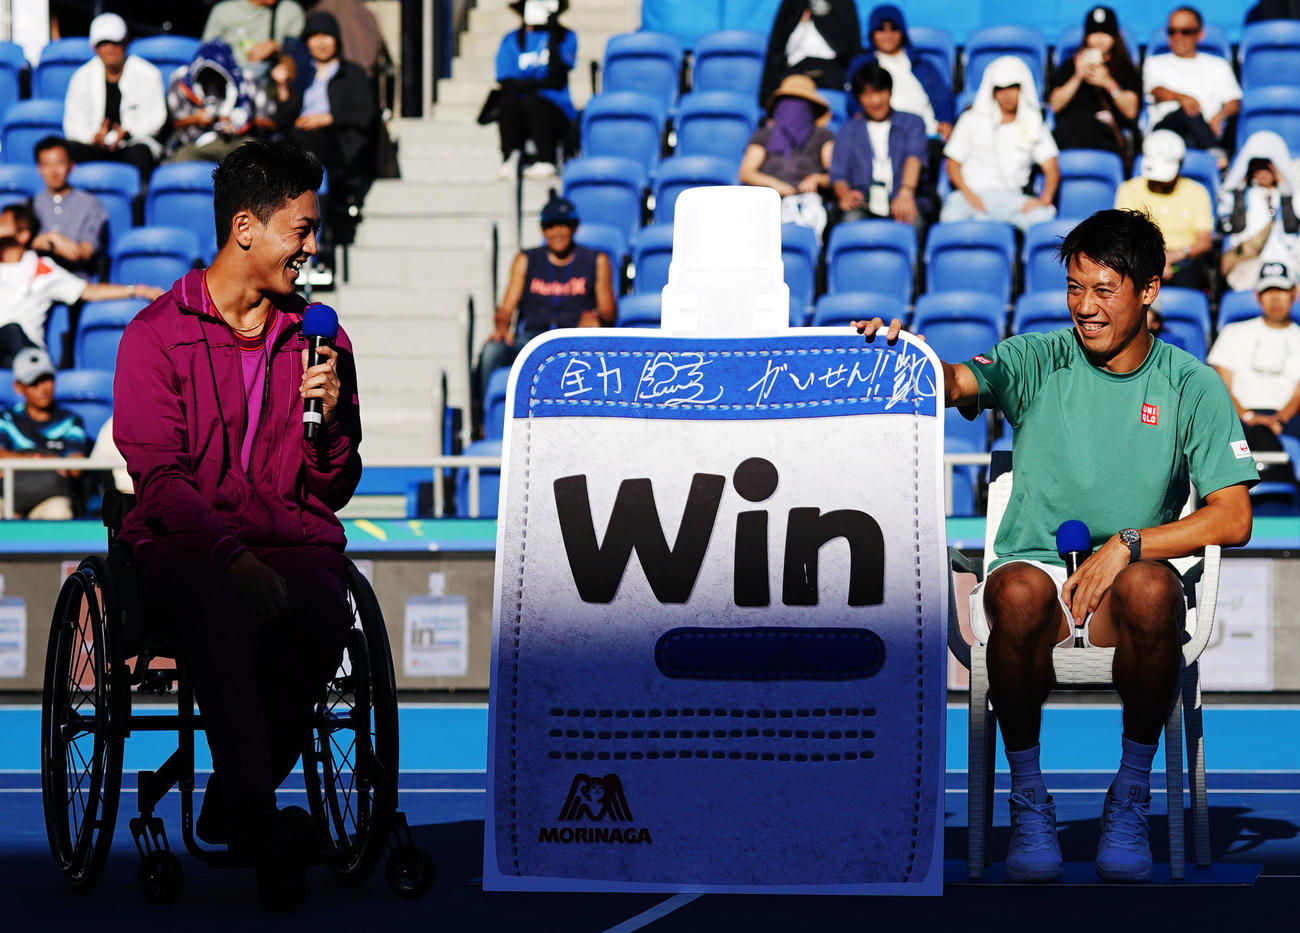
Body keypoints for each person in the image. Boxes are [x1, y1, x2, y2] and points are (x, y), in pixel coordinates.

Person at [854, 208, 1256, 883]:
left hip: (1126, 588)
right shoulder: (1037, 357)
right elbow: (955, 381)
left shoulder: (1193, 384)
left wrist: (1128, 545)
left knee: (1155, 589)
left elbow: (1234, 517)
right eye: (1075, 288)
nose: (1085, 307)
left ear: (1150, 289)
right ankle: (1030, 797)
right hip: (1034, 580)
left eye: (1104, 290)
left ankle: (1129, 794)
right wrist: (906, 354)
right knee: (1010, 590)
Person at [113, 139, 360, 908]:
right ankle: (257, 815)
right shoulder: (154, 335)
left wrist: (329, 419)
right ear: (246, 228)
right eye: (304, 229)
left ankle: (232, 798)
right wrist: (232, 557)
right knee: (220, 603)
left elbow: (336, 485)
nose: (313, 247)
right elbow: (159, 481)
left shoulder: (321, 336)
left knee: (323, 607)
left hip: (287, 541)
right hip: (188, 547)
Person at [477, 193, 615, 402]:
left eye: (563, 225)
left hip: (572, 339)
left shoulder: (596, 260)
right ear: (543, 230)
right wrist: (502, 327)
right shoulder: (526, 259)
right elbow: (505, 309)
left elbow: (609, 313)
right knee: (491, 351)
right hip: (531, 339)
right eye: (550, 225)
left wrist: (595, 316)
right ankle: (484, 418)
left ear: (574, 227)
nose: (557, 231)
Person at [0, 202, 161, 367]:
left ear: (23, 235)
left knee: (10, 329)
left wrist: (138, 290)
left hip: (26, 355)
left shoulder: (41, 267)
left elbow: (88, 291)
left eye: (3, 224)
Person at [940, 56, 1059, 232]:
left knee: (1042, 219)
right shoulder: (971, 119)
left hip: (1012, 200)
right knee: (950, 218)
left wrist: (1045, 198)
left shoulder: (1034, 123)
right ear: (993, 91)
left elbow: (1051, 167)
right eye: (1000, 89)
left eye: (1012, 87)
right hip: (970, 196)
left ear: (1021, 89)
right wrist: (969, 194)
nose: (1006, 94)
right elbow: (952, 164)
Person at [1208, 261, 1300, 484]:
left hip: (1288, 418)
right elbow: (1222, 386)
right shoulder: (1234, 332)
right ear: (1258, 296)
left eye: (1282, 290)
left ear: (1294, 294)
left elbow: (1299, 393)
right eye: (1269, 291)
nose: (1275, 298)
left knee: (1262, 436)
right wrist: (1250, 418)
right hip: (1238, 416)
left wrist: (1277, 420)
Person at [62, 13, 166, 182]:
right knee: (69, 151)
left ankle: (139, 204)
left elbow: (157, 118)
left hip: (132, 145)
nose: (109, 48)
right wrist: (94, 137)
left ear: (125, 43)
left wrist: (127, 132)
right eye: (103, 43)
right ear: (95, 48)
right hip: (94, 147)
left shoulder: (148, 74)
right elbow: (72, 125)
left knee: (140, 155)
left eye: (115, 43)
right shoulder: (81, 77)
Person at [829, 63, 931, 234]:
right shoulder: (848, 130)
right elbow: (838, 174)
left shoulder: (912, 123)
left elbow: (914, 157)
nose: (875, 101)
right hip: (863, 202)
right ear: (858, 98)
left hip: (902, 196)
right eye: (867, 94)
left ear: (890, 92)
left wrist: (906, 192)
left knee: (913, 222)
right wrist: (845, 194)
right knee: (849, 222)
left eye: (879, 92)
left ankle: (915, 261)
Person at [285, 11, 376, 199]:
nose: (321, 43)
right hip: (296, 135)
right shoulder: (299, 73)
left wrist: (328, 119)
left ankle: (318, 222)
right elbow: (282, 115)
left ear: (336, 40)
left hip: (334, 138)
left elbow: (366, 113)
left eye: (326, 36)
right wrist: (283, 86)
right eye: (314, 37)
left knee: (311, 156)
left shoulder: (351, 73)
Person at [739, 74, 835, 242]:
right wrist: (774, 184)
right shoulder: (764, 136)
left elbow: (835, 175)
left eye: (800, 104)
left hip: (807, 201)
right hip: (768, 200)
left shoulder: (823, 136)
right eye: (788, 103)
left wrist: (816, 179)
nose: (794, 110)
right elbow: (746, 172)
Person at [1114, 129, 1213, 290]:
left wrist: (1173, 257)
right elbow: (1125, 237)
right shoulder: (1129, 189)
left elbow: (1204, 241)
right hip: (1141, 259)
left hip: (1183, 261)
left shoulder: (1197, 192)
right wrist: (1154, 260)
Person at [1143, 6, 1241, 165]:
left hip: (1204, 133)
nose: (1178, 37)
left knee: (1195, 127)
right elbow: (1155, 90)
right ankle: (1216, 154)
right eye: (1172, 31)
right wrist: (1182, 98)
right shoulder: (1154, 63)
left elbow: (1234, 101)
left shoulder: (1218, 65)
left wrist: (1220, 115)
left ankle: (1209, 148)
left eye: (1186, 31)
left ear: (1200, 34)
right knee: (1189, 111)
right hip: (1167, 132)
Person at [0, 348, 91, 519]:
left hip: (50, 498)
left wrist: (15, 462)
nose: (43, 388)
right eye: (33, 382)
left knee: (59, 512)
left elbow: (75, 467)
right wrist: (42, 460)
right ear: (19, 387)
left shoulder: (70, 420)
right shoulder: (6, 419)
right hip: (8, 497)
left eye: (47, 379)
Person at [493, 0, 576, 180]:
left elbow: (558, 75)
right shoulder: (512, 39)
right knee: (508, 102)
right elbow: (506, 81)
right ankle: (510, 158)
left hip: (554, 108)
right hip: (520, 106)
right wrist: (535, 85)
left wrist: (553, 34)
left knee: (533, 103)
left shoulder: (565, 37)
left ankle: (546, 159)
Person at [845, 4, 954, 140]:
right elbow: (853, 99)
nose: (888, 34)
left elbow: (943, 98)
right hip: (880, 135)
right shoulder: (861, 65)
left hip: (926, 134)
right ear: (872, 33)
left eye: (894, 28)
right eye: (880, 29)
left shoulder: (923, 65)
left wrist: (946, 120)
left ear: (902, 32)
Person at [1047, 6, 1141, 164]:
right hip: (1071, 134)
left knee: (1089, 126)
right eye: (1094, 33)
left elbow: (1131, 111)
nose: (1099, 38)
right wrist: (1077, 76)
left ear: (1114, 36)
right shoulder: (1070, 65)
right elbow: (1055, 105)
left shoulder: (1125, 67)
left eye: (1105, 33)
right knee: (1076, 125)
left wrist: (1108, 83)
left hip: (1106, 136)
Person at [166, 39, 274, 163]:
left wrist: (239, 120)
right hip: (198, 143)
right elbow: (173, 122)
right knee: (182, 157)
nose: (212, 80)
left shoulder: (247, 80)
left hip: (237, 142)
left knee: (256, 156)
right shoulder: (181, 80)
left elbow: (270, 123)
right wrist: (196, 119)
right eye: (207, 75)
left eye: (216, 74)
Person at [1219, 131, 1300, 292]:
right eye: (1257, 167)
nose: (1262, 172)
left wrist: (1284, 189)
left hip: (1285, 260)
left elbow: (1291, 226)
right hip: (1251, 261)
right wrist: (1240, 190)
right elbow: (1237, 225)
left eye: (1267, 167)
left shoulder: (1289, 194)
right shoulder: (1246, 194)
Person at [30, 136, 109, 280]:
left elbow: (85, 252)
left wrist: (48, 242)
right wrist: (53, 238)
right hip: (35, 283)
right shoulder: (29, 204)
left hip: (75, 281)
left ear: (71, 165)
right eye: (46, 164)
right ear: (39, 169)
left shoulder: (91, 204)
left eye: (59, 163)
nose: (53, 171)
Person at [760, 0, 862, 106]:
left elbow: (852, 47)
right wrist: (802, 24)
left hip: (831, 68)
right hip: (797, 69)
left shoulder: (842, 3)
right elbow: (779, 49)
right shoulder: (793, 4)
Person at [204, 0, 307, 77]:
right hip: (228, 81)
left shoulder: (290, 11)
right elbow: (205, 57)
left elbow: (294, 64)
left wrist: (276, 50)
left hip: (267, 85)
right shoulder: (222, 11)